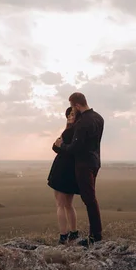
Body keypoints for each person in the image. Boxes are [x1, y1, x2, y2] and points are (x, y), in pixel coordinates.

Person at [55, 92, 104, 247]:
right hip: (95, 161)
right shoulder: (98, 118)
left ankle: (95, 235)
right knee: (90, 199)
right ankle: (95, 233)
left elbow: (75, 148)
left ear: (76, 105)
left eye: (72, 106)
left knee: (89, 199)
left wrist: (61, 145)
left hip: (83, 164)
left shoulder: (84, 122)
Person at [48, 107, 81, 245]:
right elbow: (57, 147)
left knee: (60, 205)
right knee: (68, 204)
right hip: (72, 170)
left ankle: (63, 236)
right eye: (68, 114)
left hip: (62, 170)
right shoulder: (78, 131)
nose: (69, 116)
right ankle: (73, 233)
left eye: (72, 114)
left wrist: (58, 145)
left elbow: (58, 147)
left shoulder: (69, 131)